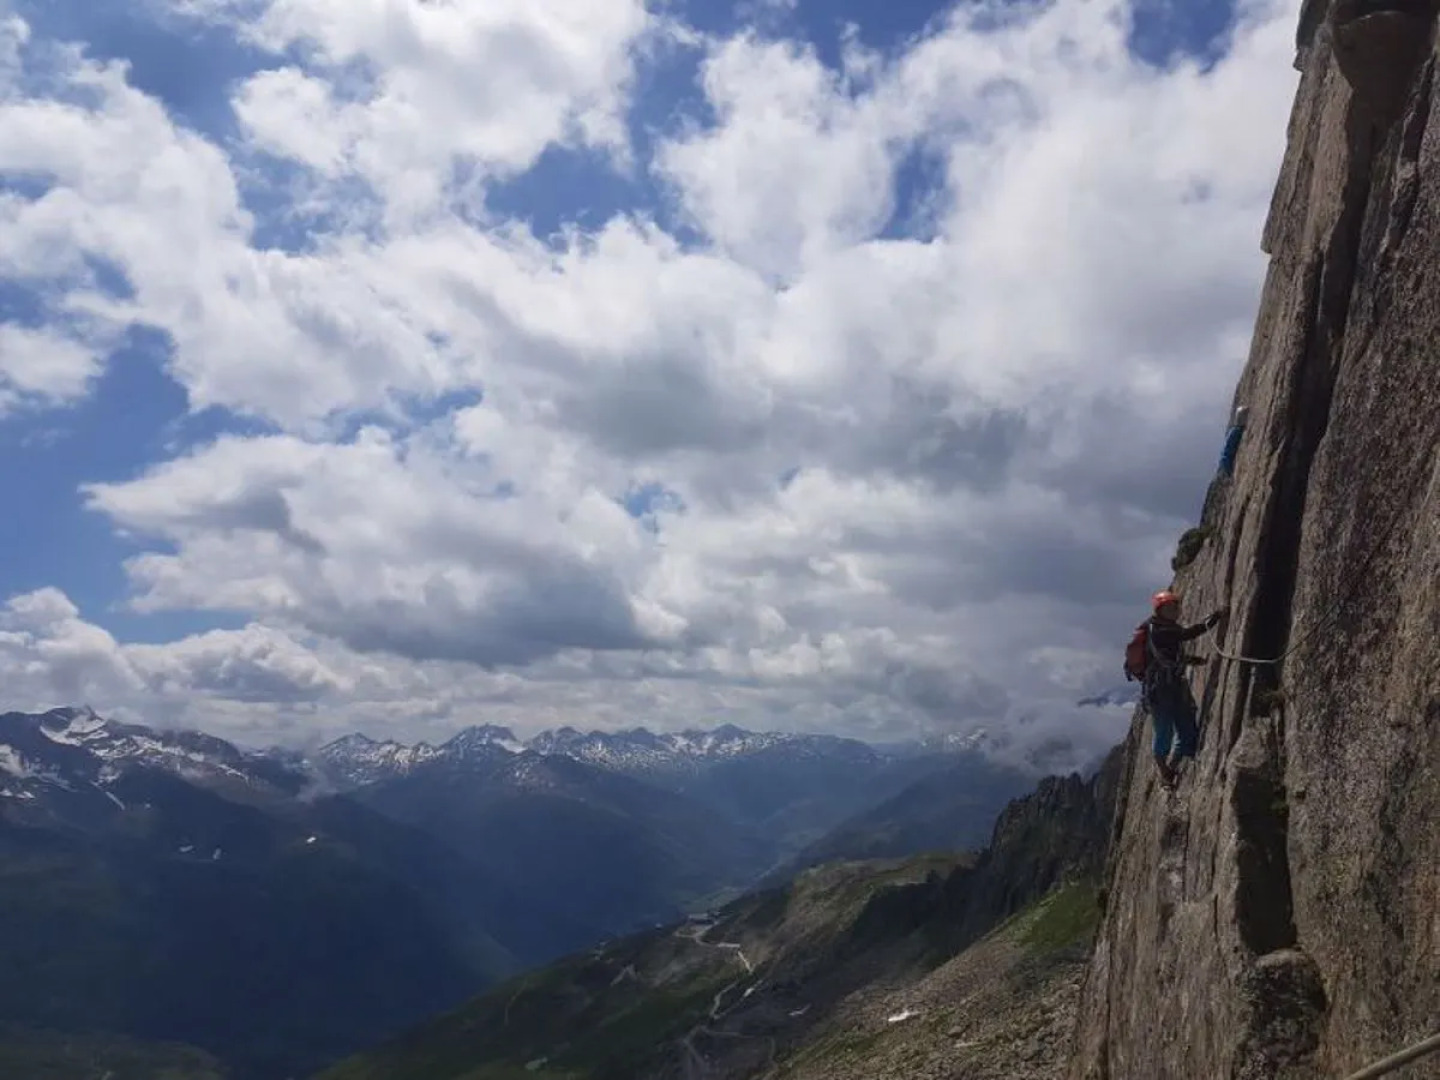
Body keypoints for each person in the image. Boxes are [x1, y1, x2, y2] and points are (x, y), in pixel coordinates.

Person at [1144, 590, 1226, 788]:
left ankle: (1180, 766)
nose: (1175, 611)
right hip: (1160, 690)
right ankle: (1165, 772)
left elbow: (1169, 656)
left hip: (1173, 686)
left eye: (1176, 607)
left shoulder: (1165, 628)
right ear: (1160, 610)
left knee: (1187, 726)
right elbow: (1187, 634)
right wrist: (1215, 617)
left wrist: (1192, 660)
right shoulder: (1160, 630)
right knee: (1164, 732)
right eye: (1171, 608)